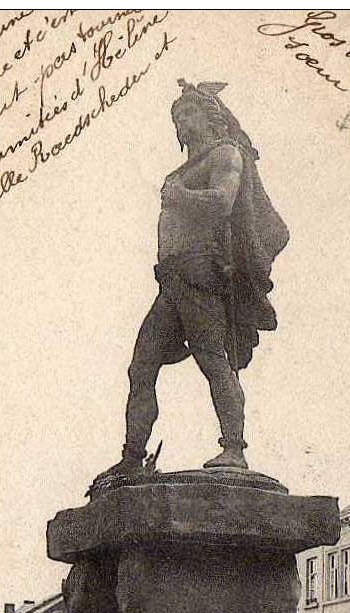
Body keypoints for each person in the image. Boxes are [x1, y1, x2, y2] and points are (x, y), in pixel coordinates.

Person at [93, 79, 288, 482]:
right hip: (171, 282)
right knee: (140, 366)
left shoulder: (225, 155)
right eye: (176, 117)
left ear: (209, 115)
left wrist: (179, 196)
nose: (181, 123)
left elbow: (222, 202)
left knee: (214, 360)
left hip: (201, 276)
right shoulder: (182, 170)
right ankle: (132, 457)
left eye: (187, 113)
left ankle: (233, 449)